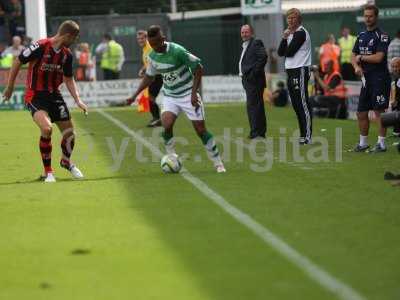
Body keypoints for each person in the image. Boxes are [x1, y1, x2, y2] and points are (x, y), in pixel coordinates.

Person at [128, 25, 226, 173]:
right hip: (170, 96)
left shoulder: (178, 51)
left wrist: (194, 94)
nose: (155, 47)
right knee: (166, 124)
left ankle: (218, 163)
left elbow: (198, 68)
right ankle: (171, 156)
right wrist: (134, 96)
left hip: (188, 94)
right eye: (152, 44)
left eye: (157, 43)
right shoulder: (152, 56)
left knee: (200, 130)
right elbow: (149, 77)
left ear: (163, 39)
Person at [2, 20, 88, 182]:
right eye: (75, 38)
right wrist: (10, 87)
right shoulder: (40, 46)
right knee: (47, 129)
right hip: (36, 96)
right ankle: (48, 172)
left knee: (70, 135)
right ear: (68, 35)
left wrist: (78, 100)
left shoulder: (66, 55)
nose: (75, 41)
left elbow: (69, 79)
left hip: (55, 96)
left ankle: (66, 161)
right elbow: (18, 62)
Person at [351, 4, 391, 153]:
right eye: (365, 16)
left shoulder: (382, 35)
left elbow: (379, 58)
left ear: (376, 17)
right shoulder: (361, 35)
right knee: (361, 112)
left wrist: (362, 57)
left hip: (379, 79)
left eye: (370, 16)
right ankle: (363, 143)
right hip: (365, 80)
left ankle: (381, 144)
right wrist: (356, 66)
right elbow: (352, 56)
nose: (367, 19)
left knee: (379, 112)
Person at [278, 8, 313, 145]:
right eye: (289, 18)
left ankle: (308, 135)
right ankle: (302, 134)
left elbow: (290, 52)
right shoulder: (290, 34)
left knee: (303, 103)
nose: (290, 21)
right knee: (296, 104)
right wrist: (284, 37)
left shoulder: (300, 33)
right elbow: (281, 52)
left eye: (293, 18)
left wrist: (287, 39)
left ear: (299, 19)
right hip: (291, 70)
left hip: (300, 70)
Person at [239, 24, 268, 139]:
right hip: (248, 80)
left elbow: (263, 57)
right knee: (255, 106)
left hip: (254, 80)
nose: (244, 34)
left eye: (246, 32)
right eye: (242, 32)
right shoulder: (245, 46)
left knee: (254, 106)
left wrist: (253, 74)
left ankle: (256, 133)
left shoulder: (256, 43)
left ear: (252, 33)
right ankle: (258, 132)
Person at [128, 29, 162, 127]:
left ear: (146, 38)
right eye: (138, 39)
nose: (140, 41)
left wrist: (147, 71)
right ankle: (156, 118)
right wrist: (143, 69)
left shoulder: (150, 48)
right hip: (153, 74)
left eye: (142, 39)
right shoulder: (145, 49)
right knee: (150, 98)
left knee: (151, 97)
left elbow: (154, 62)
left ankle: (157, 119)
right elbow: (148, 62)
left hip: (157, 75)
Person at [389, 57, 400, 136]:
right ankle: (396, 131)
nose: (394, 69)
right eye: (393, 66)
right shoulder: (393, 76)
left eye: (396, 66)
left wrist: (397, 100)